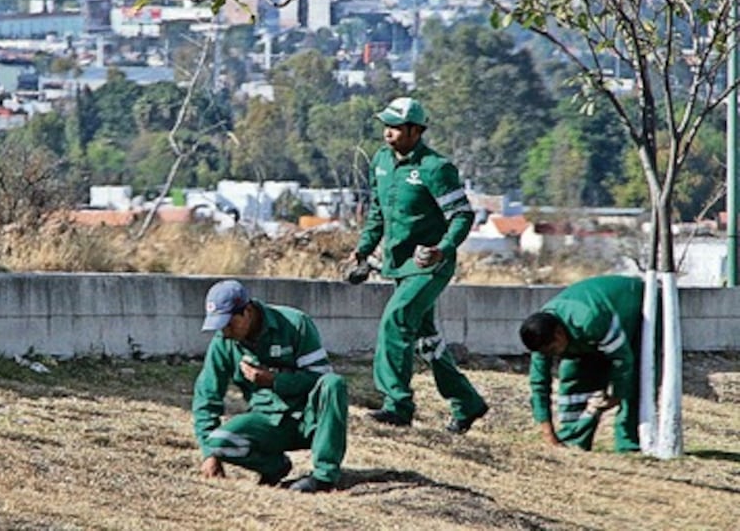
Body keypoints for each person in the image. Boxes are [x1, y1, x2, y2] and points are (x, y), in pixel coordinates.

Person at [350, 96, 489, 433]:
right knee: (426, 340)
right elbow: (378, 214)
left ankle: (397, 405)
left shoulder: (435, 168)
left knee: (395, 321)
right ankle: (467, 402)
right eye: (386, 126)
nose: (388, 133)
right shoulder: (382, 162)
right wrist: (362, 250)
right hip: (398, 265)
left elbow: (461, 215)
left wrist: (442, 248)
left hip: (430, 267)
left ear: (415, 130)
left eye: (396, 127)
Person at [192, 279, 348, 494]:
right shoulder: (224, 341)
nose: (225, 331)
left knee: (334, 384)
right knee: (218, 442)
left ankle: (324, 477)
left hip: (308, 418)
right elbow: (206, 396)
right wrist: (209, 454)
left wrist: (274, 380)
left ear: (247, 311)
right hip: (267, 421)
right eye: (219, 325)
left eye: (229, 323)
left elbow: (320, 376)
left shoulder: (295, 323)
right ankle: (275, 467)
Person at [519, 274, 645, 452]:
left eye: (552, 351)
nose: (550, 356)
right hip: (590, 333)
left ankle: (628, 443)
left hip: (634, 305)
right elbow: (539, 384)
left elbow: (622, 360)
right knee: (573, 376)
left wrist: (616, 394)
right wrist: (549, 435)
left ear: (559, 334)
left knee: (634, 378)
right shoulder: (540, 338)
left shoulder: (589, 319)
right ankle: (573, 442)